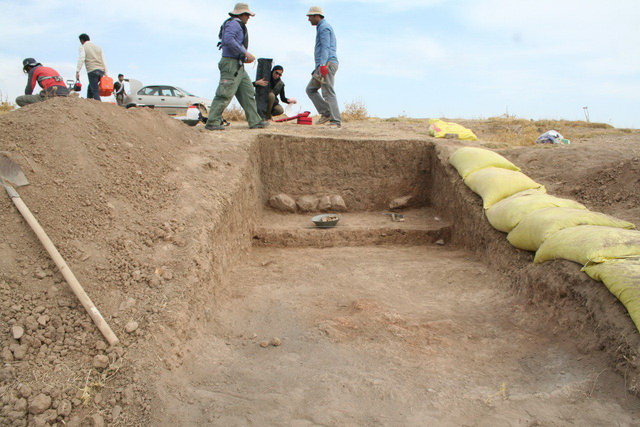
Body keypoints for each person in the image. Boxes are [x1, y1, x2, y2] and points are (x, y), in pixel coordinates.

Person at [205, 3, 268, 130]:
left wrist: (243, 58)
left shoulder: (236, 24)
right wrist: (245, 53)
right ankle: (212, 122)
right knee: (224, 94)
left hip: (237, 64)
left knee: (248, 91)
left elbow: (231, 43)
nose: (249, 18)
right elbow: (228, 39)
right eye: (247, 15)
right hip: (231, 65)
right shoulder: (234, 23)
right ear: (241, 14)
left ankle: (255, 120)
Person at [305, 6, 341, 128]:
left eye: (310, 16)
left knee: (328, 92)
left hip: (327, 64)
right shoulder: (322, 27)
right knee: (310, 89)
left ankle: (335, 121)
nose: (308, 19)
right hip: (324, 64)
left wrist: (322, 65)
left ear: (317, 16)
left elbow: (325, 47)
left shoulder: (324, 28)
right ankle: (326, 113)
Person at [76, 33, 107, 101]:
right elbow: (103, 60)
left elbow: (82, 58)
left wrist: (78, 71)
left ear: (81, 40)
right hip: (101, 71)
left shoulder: (83, 46)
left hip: (92, 71)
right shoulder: (98, 47)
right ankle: (89, 102)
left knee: (95, 90)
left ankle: (99, 106)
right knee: (90, 87)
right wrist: (106, 73)